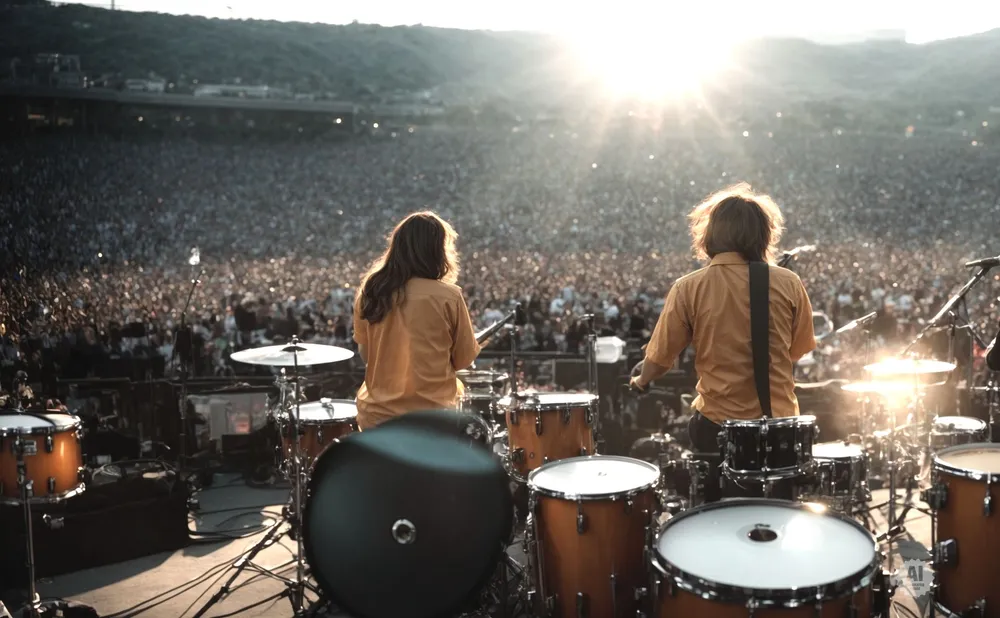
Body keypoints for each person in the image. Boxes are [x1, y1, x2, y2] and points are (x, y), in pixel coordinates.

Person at [629, 184, 816, 496]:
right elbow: (797, 350)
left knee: (719, 513)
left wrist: (640, 380)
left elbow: (660, 359)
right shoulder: (789, 282)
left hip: (718, 429)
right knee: (779, 518)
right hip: (780, 427)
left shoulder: (689, 288)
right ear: (764, 234)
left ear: (710, 234)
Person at [352, 211, 481, 430]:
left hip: (377, 417)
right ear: (437, 251)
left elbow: (366, 354)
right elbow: (463, 360)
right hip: (434, 418)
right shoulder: (449, 296)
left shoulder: (371, 291)